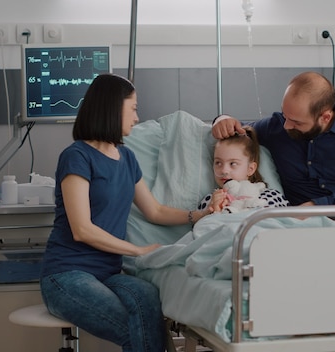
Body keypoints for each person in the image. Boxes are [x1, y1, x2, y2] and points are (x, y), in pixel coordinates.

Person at [39, 73, 217, 352]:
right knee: (136, 331)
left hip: (109, 273)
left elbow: (155, 211)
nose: (137, 118)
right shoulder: (77, 156)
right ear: (112, 108)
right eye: (133, 108)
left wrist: (200, 215)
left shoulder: (126, 158)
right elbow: (82, 229)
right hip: (66, 275)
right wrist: (138, 250)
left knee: (148, 299)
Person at [212, 71, 335, 225]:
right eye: (285, 115)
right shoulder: (276, 127)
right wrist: (221, 120)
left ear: (325, 117)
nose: (286, 125)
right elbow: (240, 130)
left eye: (296, 122)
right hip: (293, 221)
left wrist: (316, 206)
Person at [198, 125, 289, 213]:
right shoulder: (209, 201)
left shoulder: (270, 196)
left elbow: (278, 222)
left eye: (233, 163)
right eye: (218, 163)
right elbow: (204, 225)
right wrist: (214, 211)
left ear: (250, 169)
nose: (224, 170)